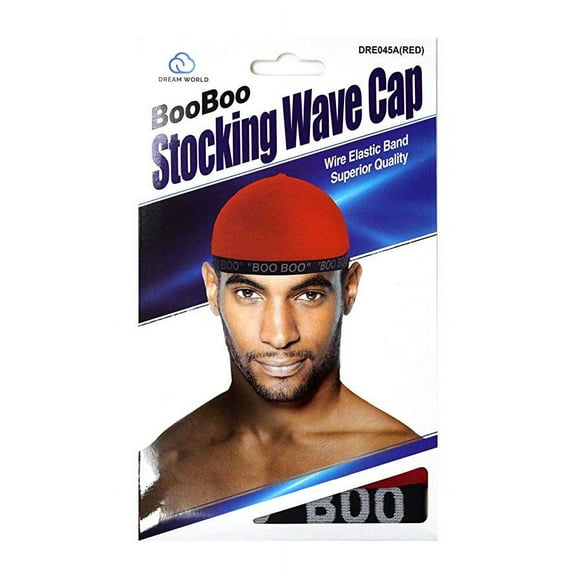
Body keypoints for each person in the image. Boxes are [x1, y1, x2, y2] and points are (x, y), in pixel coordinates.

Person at [139, 174, 419, 528]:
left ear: (349, 289)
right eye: (248, 294)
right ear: (212, 290)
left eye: (309, 295)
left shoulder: (404, 462)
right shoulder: (162, 466)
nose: (279, 335)